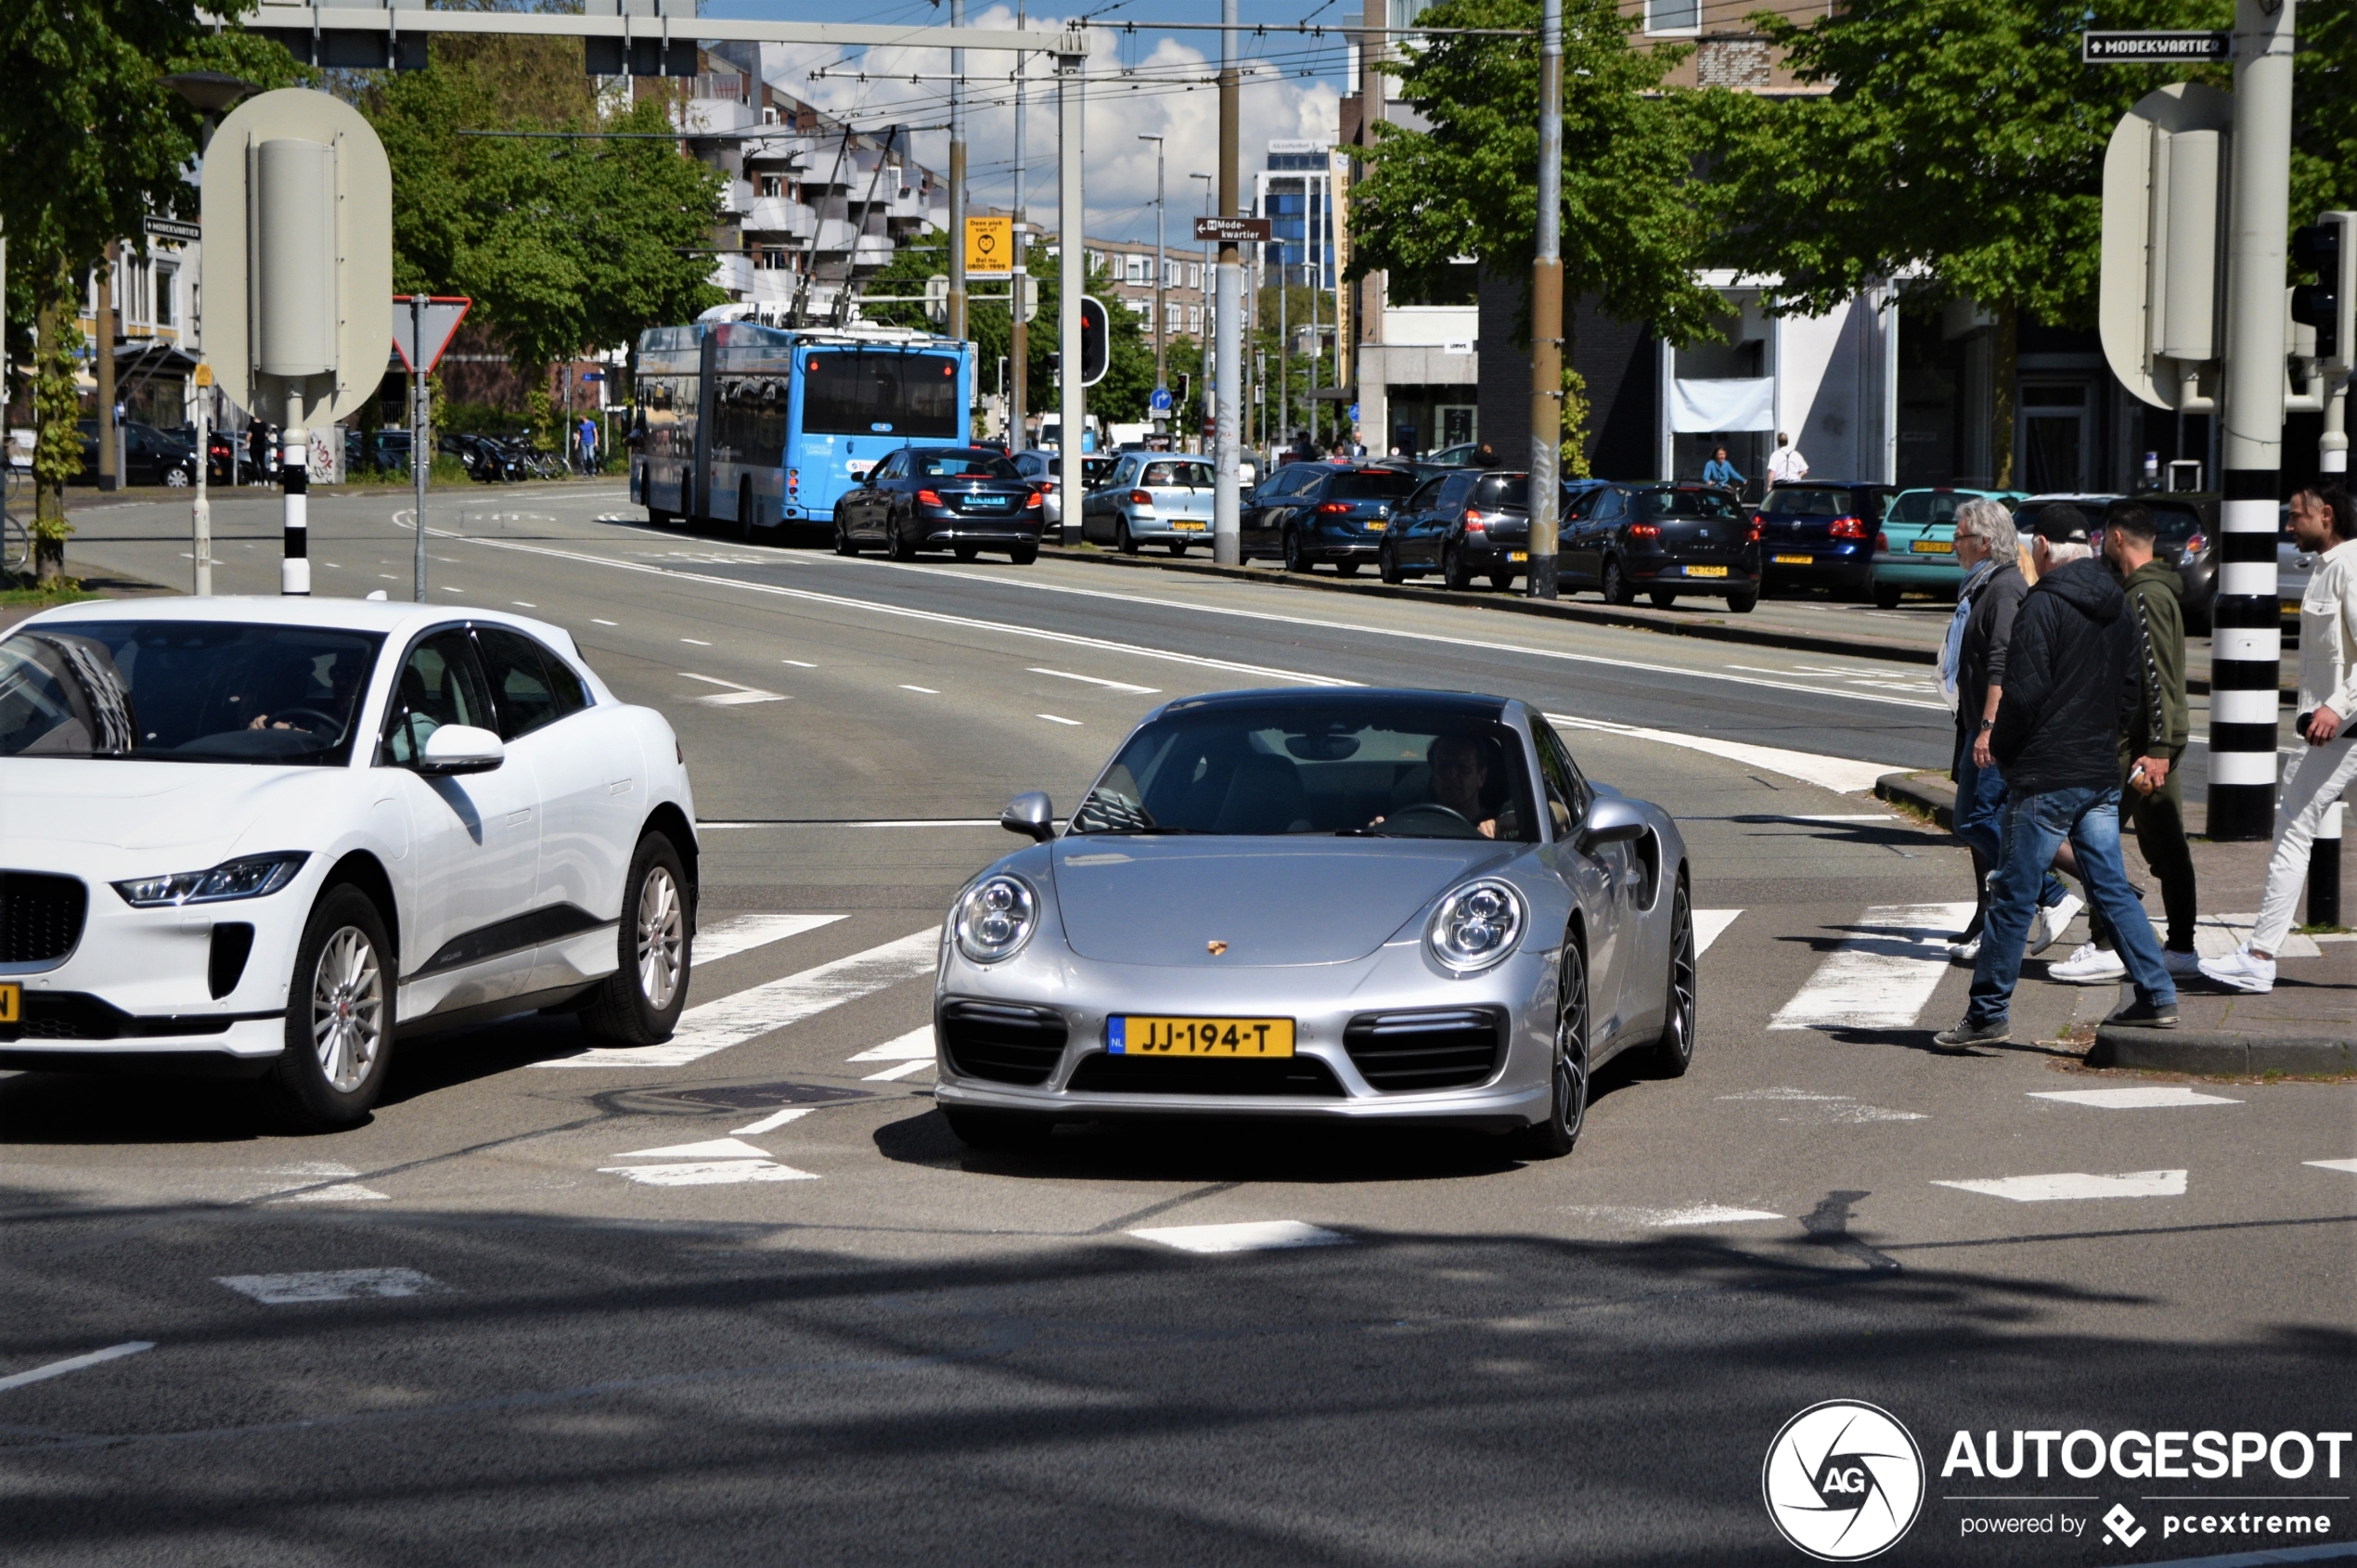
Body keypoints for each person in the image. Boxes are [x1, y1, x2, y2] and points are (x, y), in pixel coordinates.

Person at [1935, 506, 2178, 1047]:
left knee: (2014, 893)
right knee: (2110, 886)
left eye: (2034, 546)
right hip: (2097, 770)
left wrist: (2006, 750)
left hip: (2045, 774)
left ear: (2043, 545)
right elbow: (2133, 691)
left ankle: (1987, 1013)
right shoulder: (2116, 601)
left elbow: (2022, 692)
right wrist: (2106, 739)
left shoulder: (2041, 602)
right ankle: (2158, 996)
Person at [2201, 484, 2357, 994]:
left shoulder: (2349, 568)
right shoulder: (2330, 566)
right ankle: (2260, 954)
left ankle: (2261, 955)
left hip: (2339, 734)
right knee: (2294, 826)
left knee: (2292, 828)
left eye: (2295, 517)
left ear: (2326, 516)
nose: (2288, 527)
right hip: (2337, 733)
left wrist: (2335, 706)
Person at [2049, 504, 2201, 983]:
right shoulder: (2156, 591)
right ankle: (2179, 948)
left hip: (2140, 745)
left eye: (2102, 539)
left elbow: (2154, 677)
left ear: (2116, 538)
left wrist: (2154, 749)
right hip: (2157, 742)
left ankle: (2107, 944)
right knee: (2165, 843)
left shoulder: (2144, 597)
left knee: (2093, 838)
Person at [1944, 499, 2079, 963]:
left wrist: (1987, 728)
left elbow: (2004, 660)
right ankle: (2012, 914)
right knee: (1992, 821)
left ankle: (2055, 897)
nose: (1954, 544)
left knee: (1976, 819)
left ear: (1984, 542)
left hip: (1995, 728)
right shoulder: (1982, 585)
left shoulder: (2003, 590)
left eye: (1960, 537)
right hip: (1976, 723)